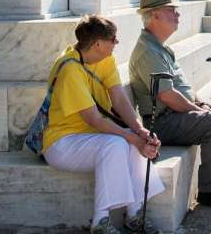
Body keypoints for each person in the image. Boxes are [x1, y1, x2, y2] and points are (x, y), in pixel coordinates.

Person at [41, 15, 165, 234]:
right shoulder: (69, 68)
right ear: (98, 44)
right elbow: (94, 119)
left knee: (130, 138)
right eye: (113, 39)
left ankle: (134, 213)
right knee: (118, 143)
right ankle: (100, 222)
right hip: (61, 143)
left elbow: (118, 98)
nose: (117, 43)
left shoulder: (104, 58)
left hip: (91, 137)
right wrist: (132, 138)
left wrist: (140, 131)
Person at [129, 0, 211, 210]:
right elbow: (167, 96)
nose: (178, 14)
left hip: (178, 113)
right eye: (171, 10)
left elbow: (182, 88)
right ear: (154, 15)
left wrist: (199, 103)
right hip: (163, 122)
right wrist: (198, 109)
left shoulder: (159, 47)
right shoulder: (148, 52)